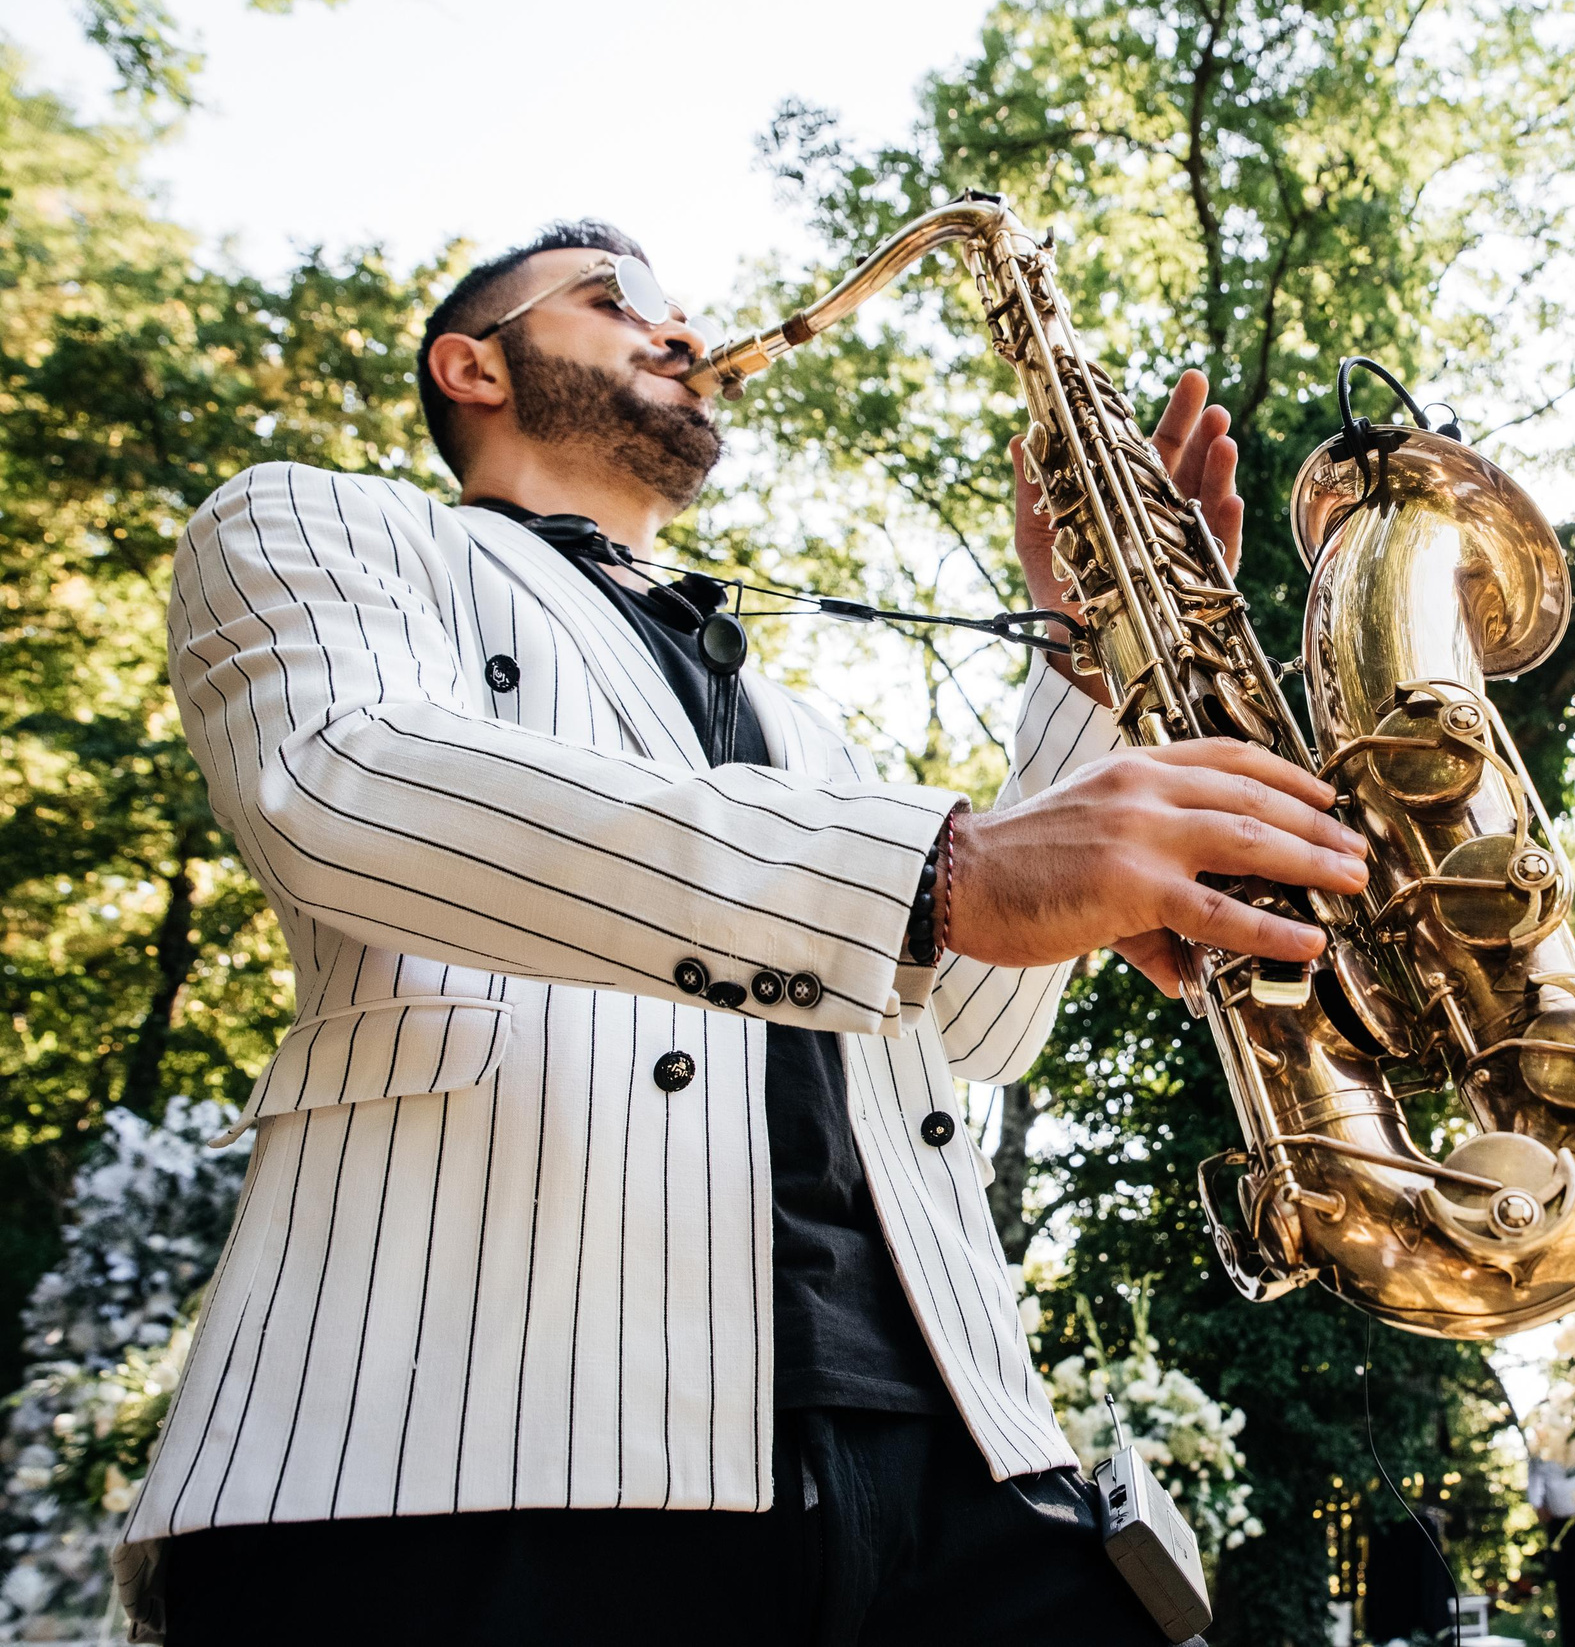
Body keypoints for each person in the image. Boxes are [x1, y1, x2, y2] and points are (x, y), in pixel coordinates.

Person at [111, 220, 1371, 1645]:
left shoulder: (811, 734)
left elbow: (978, 1029)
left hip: (957, 1464)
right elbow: (344, 783)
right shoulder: (317, 523)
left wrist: (1082, 657)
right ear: (469, 363)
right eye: (615, 299)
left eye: (680, 306)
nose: (679, 327)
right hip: (445, 1457)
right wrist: (950, 867)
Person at [1526, 1454, 1575, 1647]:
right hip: (1557, 1522)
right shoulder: (1542, 1439)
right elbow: (1536, 1473)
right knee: (1565, 1585)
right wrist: (1537, 1504)